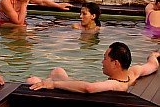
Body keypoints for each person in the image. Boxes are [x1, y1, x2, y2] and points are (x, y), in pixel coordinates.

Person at [27, 41, 160, 93]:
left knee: (32, 81)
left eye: (105, 59)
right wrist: (153, 55)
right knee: (58, 71)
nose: (102, 62)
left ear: (116, 63)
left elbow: (89, 88)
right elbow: (153, 65)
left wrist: (53, 85)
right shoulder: (133, 72)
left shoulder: (115, 84)